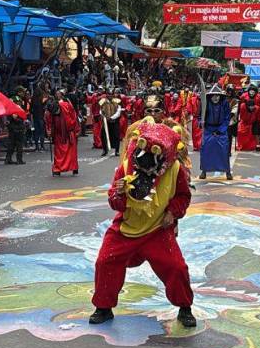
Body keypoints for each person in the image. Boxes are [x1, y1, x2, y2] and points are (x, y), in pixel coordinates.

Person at [88, 121, 196, 329]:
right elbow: (114, 202)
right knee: (105, 261)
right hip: (126, 228)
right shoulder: (126, 167)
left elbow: (183, 196)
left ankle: (185, 308)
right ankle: (103, 307)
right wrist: (118, 193)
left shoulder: (175, 170)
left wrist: (172, 213)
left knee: (177, 267)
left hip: (157, 230)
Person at [198, 85, 233, 180]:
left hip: (221, 130)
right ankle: (204, 171)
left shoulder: (224, 103)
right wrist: (201, 122)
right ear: (210, 96)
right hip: (208, 129)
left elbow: (227, 118)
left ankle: (227, 171)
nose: (215, 97)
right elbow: (200, 116)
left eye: (217, 95)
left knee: (224, 150)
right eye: (213, 95)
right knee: (205, 149)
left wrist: (220, 130)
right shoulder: (205, 103)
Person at [46, 89, 79, 176]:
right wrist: (49, 131)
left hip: (67, 133)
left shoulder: (66, 105)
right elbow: (49, 121)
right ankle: (58, 168)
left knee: (69, 152)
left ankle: (72, 167)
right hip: (59, 133)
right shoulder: (53, 107)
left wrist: (74, 130)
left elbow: (73, 118)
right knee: (59, 152)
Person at [5, 88, 29, 165]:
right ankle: (19, 159)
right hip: (17, 127)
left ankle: (8, 159)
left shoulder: (11, 103)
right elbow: (17, 116)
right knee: (19, 144)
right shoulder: (17, 104)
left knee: (11, 144)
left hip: (13, 127)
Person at [236, 88, 260, 152]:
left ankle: (258, 144)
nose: (251, 107)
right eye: (251, 91)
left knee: (256, 131)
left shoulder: (257, 107)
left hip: (255, 119)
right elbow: (242, 116)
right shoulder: (243, 105)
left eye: (253, 91)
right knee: (240, 131)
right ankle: (242, 144)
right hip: (245, 121)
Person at [99, 91, 122, 157]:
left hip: (114, 122)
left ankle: (117, 151)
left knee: (116, 136)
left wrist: (112, 118)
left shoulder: (117, 102)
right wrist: (104, 116)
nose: (110, 96)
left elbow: (118, 111)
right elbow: (100, 111)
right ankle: (104, 150)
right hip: (105, 122)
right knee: (103, 136)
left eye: (111, 94)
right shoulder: (102, 102)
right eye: (108, 94)